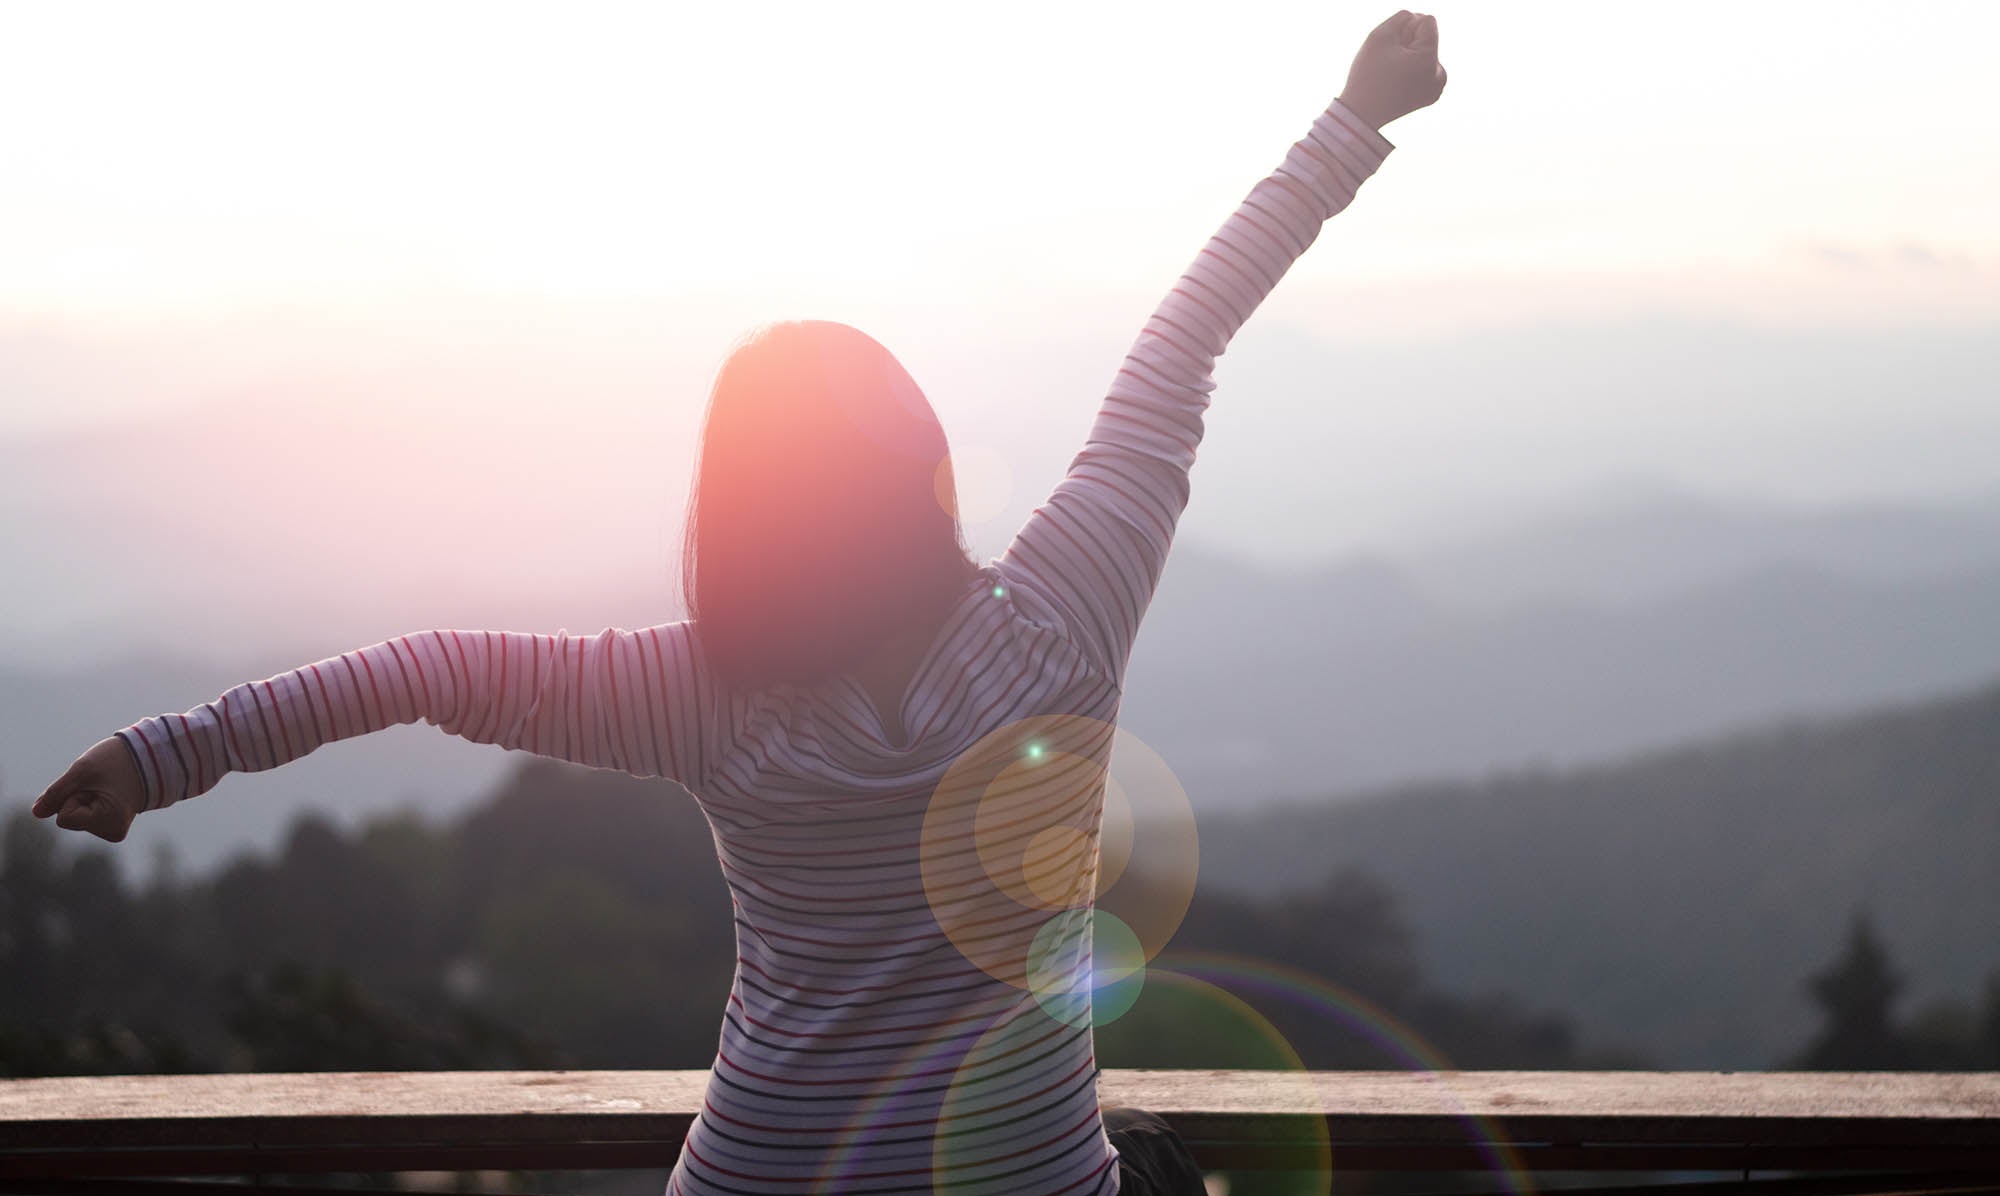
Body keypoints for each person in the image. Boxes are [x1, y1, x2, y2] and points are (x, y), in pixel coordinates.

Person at [33, 12, 1445, 1195]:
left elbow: (425, 667)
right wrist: (1355, 120)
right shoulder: (1062, 622)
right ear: (923, 473)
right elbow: (1180, 344)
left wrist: (167, 755)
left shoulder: (699, 693)